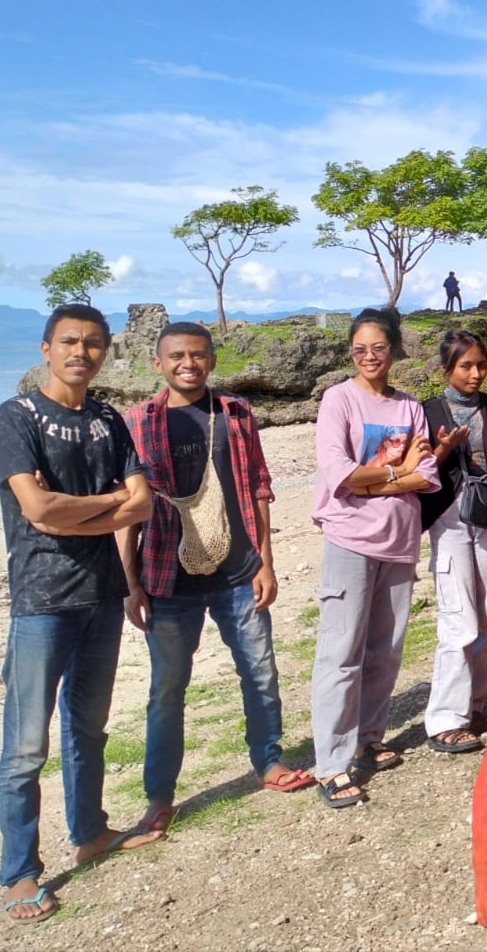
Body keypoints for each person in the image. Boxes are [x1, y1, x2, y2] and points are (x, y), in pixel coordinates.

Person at [0, 305, 159, 923]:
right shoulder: (16, 418)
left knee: (88, 727)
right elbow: (36, 511)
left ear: (105, 352)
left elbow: (142, 506)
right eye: (69, 341)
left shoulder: (107, 419)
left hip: (103, 595)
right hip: (42, 601)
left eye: (94, 344)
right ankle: (18, 872)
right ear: (45, 348)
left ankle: (90, 832)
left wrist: (83, 507)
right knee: (23, 748)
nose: (81, 352)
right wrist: (110, 501)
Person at [120, 322, 309, 836]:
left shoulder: (235, 413)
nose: (189, 363)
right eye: (177, 356)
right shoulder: (138, 422)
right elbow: (128, 511)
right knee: (167, 690)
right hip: (166, 577)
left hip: (239, 572)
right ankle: (160, 797)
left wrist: (267, 561)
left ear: (212, 360)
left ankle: (268, 762)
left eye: (198, 355)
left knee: (260, 672)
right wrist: (130, 583)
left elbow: (260, 490)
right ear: (158, 363)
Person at [311, 307, 440, 808]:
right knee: (341, 653)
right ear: (351, 352)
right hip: (349, 538)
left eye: (379, 348)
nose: (369, 357)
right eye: (360, 349)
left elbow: (427, 473)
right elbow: (339, 473)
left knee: (385, 650)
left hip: (400, 539)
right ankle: (333, 763)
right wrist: (396, 470)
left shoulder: (409, 406)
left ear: (394, 350)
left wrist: (393, 472)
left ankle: (368, 736)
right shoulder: (338, 399)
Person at [419, 330, 487, 753]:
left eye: (481, 364)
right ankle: (444, 718)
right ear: (447, 369)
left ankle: (473, 705)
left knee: (486, 613)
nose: (476, 373)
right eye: (466, 366)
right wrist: (444, 450)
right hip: (449, 518)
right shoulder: (427, 411)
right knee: (457, 616)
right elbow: (420, 467)